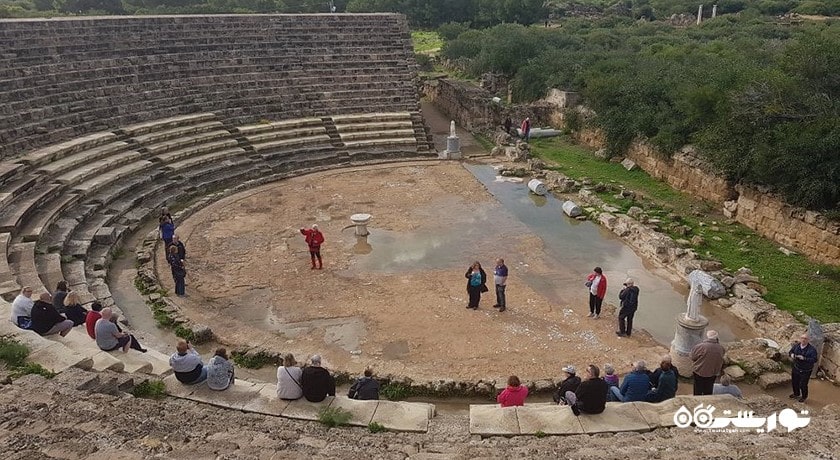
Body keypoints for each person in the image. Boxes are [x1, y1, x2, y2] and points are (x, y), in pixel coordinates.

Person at [690, 330, 725, 395]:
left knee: (697, 389)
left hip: (699, 371)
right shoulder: (721, 348)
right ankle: (707, 400)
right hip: (712, 372)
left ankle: (697, 402)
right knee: (709, 389)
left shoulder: (700, 346)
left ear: (707, 336)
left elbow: (693, 357)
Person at [789, 333, 818, 403]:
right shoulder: (797, 346)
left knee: (803, 385)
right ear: (800, 339)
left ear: (808, 340)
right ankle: (796, 394)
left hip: (806, 370)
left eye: (805, 339)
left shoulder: (812, 350)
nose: (803, 340)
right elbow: (791, 351)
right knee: (794, 382)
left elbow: (814, 360)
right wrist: (792, 354)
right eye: (802, 338)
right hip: (796, 367)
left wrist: (804, 358)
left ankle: (804, 396)